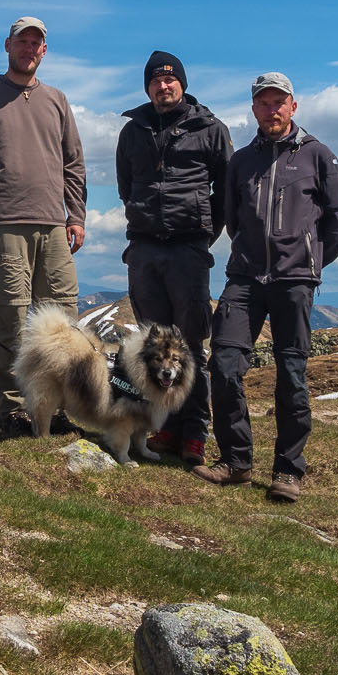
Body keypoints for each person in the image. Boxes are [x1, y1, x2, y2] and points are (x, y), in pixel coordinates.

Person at [195, 71, 338, 502]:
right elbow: (232, 216)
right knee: (224, 365)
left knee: (292, 377)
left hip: (294, 282)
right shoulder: (241, 162)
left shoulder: (319, 155)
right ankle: (237, 462)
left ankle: (288, 472)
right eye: (263, 103)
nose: (272, 109)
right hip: (244, 278)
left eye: (279, 102)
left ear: (293, 106)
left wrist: (309, 262)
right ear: (254, 109)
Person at [0, 15, 87, 430]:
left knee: (62, 318)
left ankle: (57, 408)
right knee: (12, 315)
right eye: (22, 42)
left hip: (53, 225)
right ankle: (12, 408)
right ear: (7, 46)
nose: (29, 49)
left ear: (44, 51)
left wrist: (76, 215)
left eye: (36, 44)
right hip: (3, 223)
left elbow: (74, 162)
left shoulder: (57, 100)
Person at [115, 51, 232, 466]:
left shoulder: (210, 128)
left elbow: (227, 190)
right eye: (155, 82)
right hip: (145, 250)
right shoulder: (133, 131)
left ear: (181, 83)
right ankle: (161, 427)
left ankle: (194, 434)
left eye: (170, 80)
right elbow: (126, 186)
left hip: (188, 251)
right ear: (147, 87)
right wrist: (143, 221)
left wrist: (203, 235)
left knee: (190, 348)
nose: (163, 87)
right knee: (154, 346)